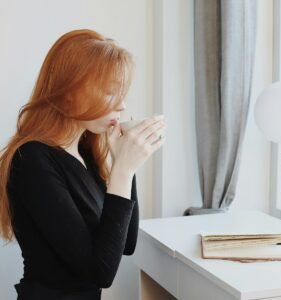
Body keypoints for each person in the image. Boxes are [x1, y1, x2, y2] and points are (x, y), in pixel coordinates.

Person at [0, 29, 166, 300]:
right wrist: (122, 170)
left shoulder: (86, 155)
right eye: (111, 92)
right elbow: (100, 272)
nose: (122, 106)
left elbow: (127, 244)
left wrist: (125, 164)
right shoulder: (31, 160)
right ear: (69, 93)